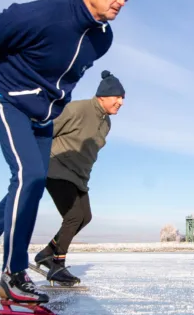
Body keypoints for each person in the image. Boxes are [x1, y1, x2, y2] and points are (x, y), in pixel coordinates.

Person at [0, 0, 131, 304]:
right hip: (6, 97)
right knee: (29, 176)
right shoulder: (42, 15)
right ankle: (13, 275)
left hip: (44, 114)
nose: (122, 0)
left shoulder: (103, 40)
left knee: (31, 184)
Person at [32, 70, 125, 286]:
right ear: (103, 95)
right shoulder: (77, 109)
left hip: (79, 176)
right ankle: (57, 265)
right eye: (117, 97)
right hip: (56, 166)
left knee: (85, 217)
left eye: (123, 98)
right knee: (73, 215)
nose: (121, 102)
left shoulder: (106, 123)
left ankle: (47, 252)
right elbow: (47, 131)